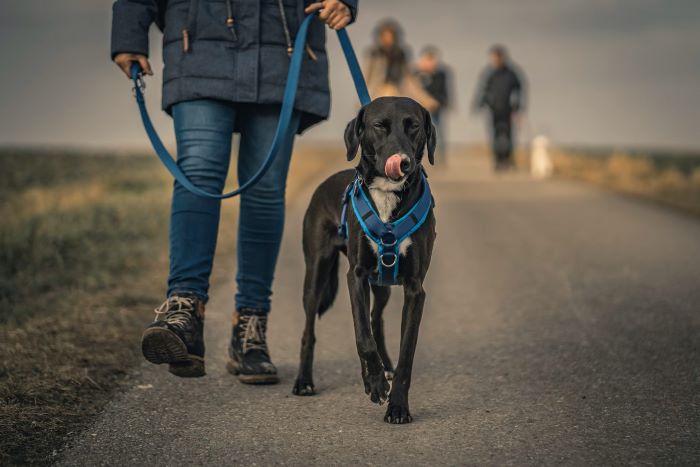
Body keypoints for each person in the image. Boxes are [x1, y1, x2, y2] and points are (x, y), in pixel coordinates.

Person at [111, 0, 358, 384]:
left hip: (283, 49)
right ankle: (184, 313)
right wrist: (129, 32)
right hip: (199, 46)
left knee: (266, 189)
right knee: (198, 173)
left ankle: (250, 328)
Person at [364, 20, 438, 112]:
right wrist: (363, 100)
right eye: (385, 37)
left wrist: (425, 99)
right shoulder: (374, 54)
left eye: (390, 37)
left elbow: (410, 79)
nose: (388, 40)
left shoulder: (400, 54)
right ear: (380, 37)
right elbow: (366, 77)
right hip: (378, 92)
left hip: (398, 91)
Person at [473, 44, 526, 171]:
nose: (493, 60)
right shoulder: (489, 73)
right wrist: (480, 104)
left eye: (495, 57)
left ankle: (508, 160)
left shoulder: (511, 73)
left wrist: (518, 109)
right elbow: (483, 90)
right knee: (495, 136)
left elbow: (519, 90)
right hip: (494, 110)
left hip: (508, 110)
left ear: (501, 57)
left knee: (508, 136)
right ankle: (498, 161)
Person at [414, 45, 452, 158]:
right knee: (417, 133)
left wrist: (439, 103)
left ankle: (439, 157)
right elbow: (412, 90)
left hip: (436, 108)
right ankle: (418, 156)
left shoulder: (441, 74)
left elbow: (444, 91)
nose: (430, 63)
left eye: (433, 60)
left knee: (438, 132)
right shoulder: (415, 73)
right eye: (427, 59)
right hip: (419, 108)